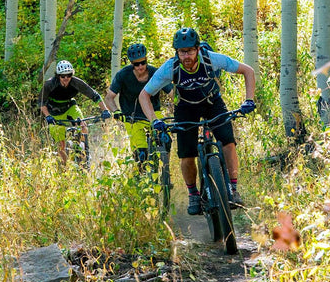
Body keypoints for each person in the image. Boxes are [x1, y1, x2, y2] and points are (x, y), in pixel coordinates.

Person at [138, 28, 256, 215]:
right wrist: (154, 121)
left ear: (198, 49)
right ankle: (193, 194)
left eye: (190, 51)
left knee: (228, 141)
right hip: (185, 108)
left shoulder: (211, 59)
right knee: (187, 154)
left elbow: (248, 71)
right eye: (182, 52)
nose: (186, 56)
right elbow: (144, 95)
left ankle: (233, 188)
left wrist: (249, 99)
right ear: (176, 52)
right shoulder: (170, 68)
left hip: (212, 103)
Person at [105, 43, 172, 165]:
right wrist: (116, 111)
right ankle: (140, 178)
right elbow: (109, 98)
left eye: (143, 62)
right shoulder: (123, 75)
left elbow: (172, 92)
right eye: (136, 64)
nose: (140, 66)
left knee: (165, 139)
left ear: (146, 59)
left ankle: (165, 173)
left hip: (153, 112)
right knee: (141, 153)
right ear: (132, 64)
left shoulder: (155, 73)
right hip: (132, 116)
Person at [40, 60, 111, 164]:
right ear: (58, 76)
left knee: (82, 124)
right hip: (53, 112)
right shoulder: (50, 84)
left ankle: (85, 152)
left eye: (68, 75)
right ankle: (64, 168)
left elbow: (94, 95)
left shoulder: (76, 82)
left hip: (70, 107)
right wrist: (48, 116)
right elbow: (41, 103)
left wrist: (105, 110)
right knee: (61, 144)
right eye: (63, 76)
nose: (66, 79)